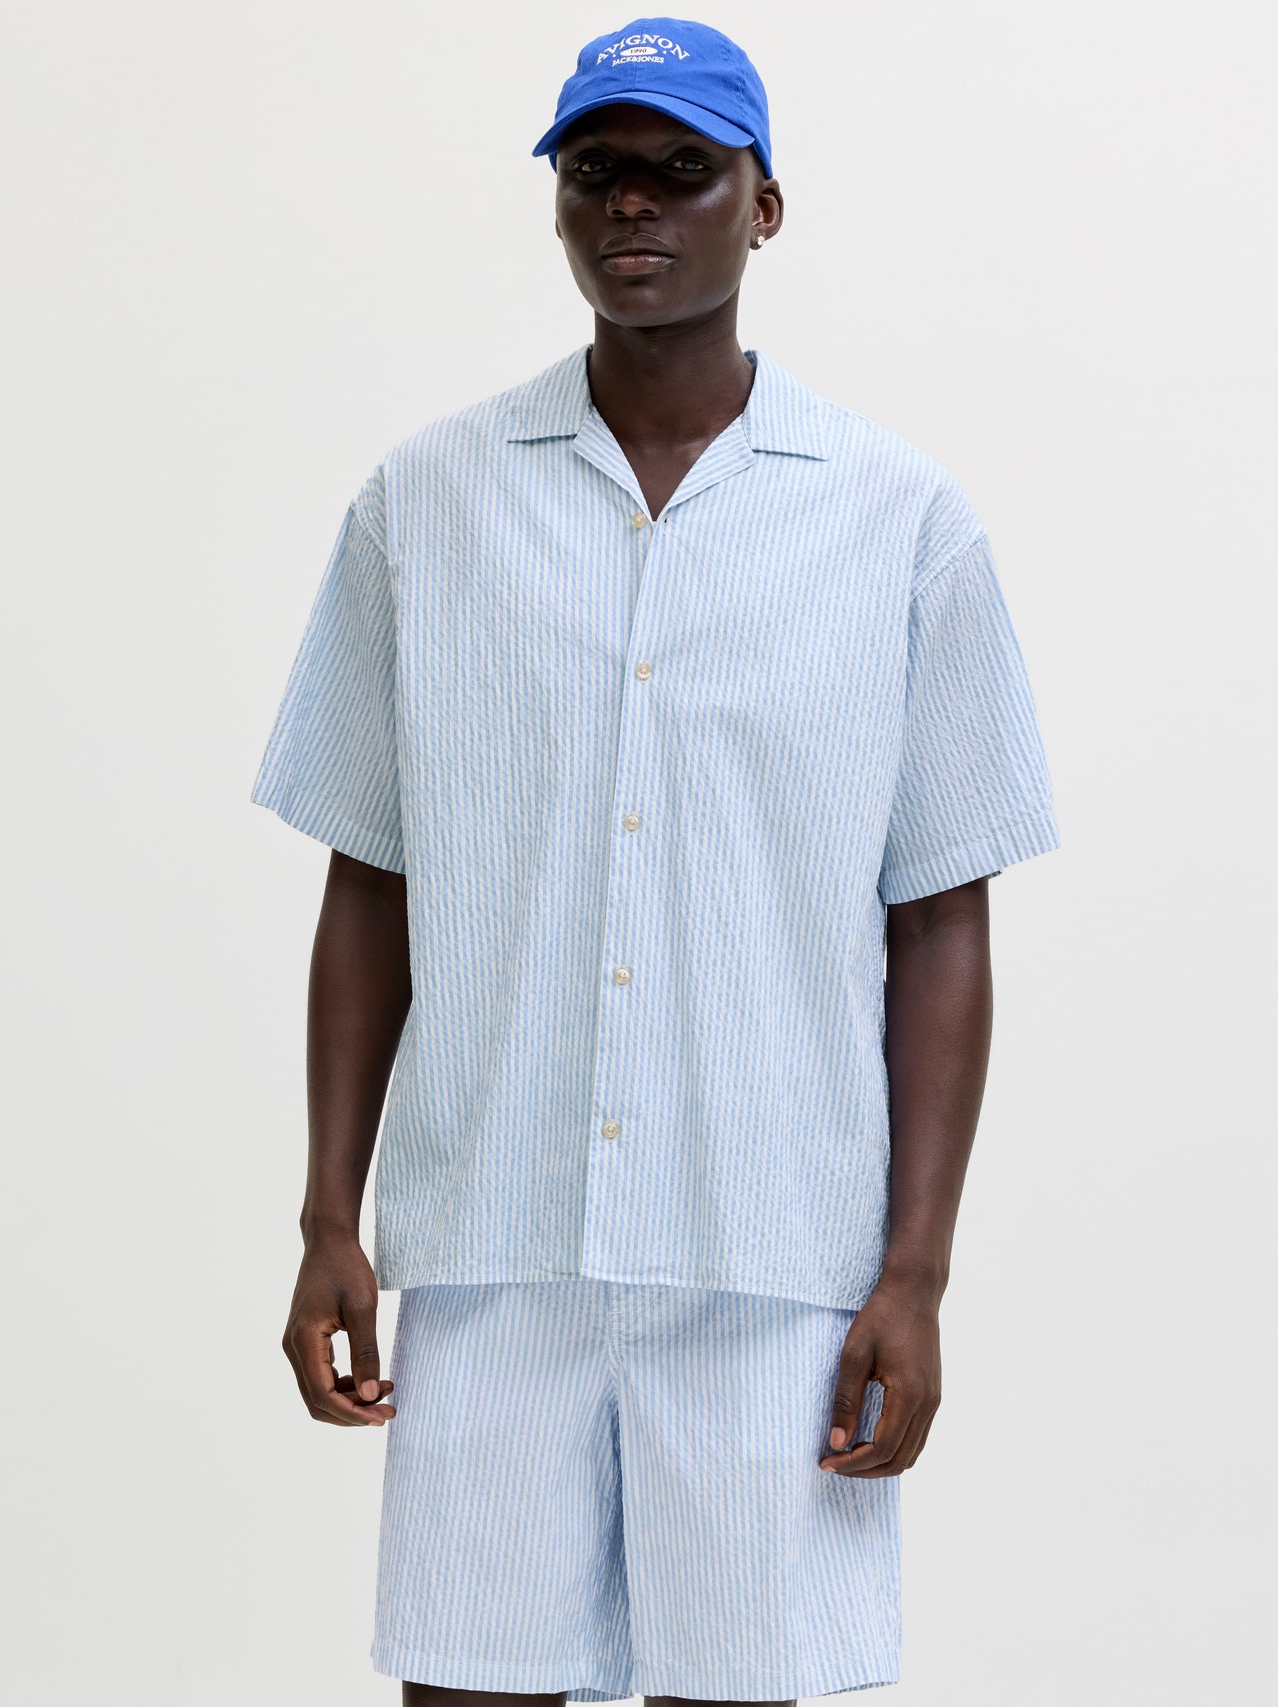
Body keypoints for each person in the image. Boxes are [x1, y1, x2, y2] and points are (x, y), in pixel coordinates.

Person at [250, 17, 1061, 1705]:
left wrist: (916, 1274)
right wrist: (330, 1213)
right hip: (493, 1246)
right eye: (596, 172)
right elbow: (373, 879)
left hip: (773, 1261)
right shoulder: (427, 504)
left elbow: (940, 918)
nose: (634, 205)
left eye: (683, 170)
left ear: (764, 206)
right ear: (557, 203)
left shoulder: (899, 521)